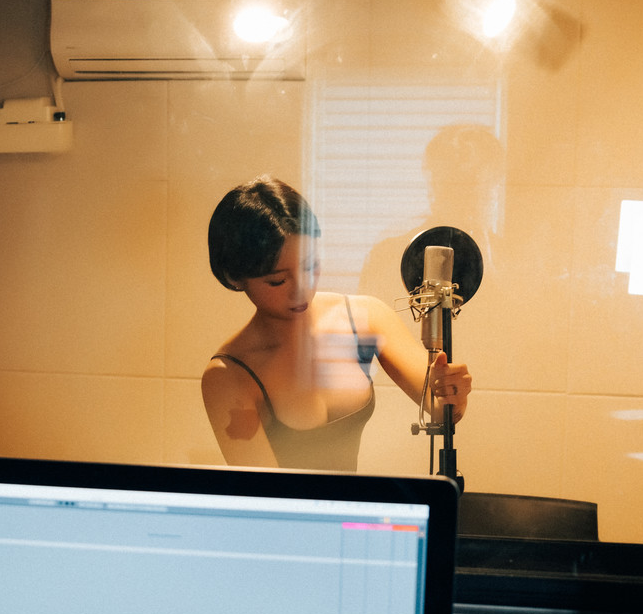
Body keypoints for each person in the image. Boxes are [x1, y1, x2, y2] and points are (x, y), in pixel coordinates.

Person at [201, 177, 471, 471]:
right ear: (235, 277)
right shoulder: (229, 375)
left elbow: (440, 409)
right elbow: (261, 492)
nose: (301, 289)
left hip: (358, 500)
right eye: (278, 280)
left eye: (310, 266)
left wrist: (453, 394)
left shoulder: (364, 318)